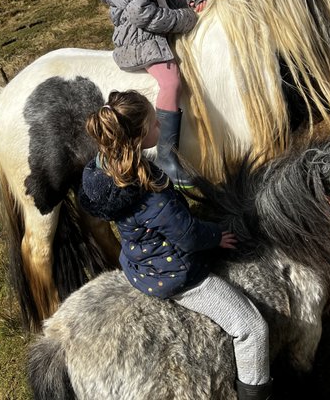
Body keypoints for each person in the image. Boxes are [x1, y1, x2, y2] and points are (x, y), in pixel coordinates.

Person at [79, 90, 273, 400]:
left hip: (138, 265)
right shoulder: (150, 193)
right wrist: (215, 235)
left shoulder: (106, 172)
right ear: (140, 135)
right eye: (155, 123)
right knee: (251, 328)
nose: (161, 126)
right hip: (176, 276)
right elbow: (187, 235)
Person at [94, 0, 207, 188]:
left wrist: (190, 1)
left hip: (164, 23)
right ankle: (167, 157)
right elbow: (144, 15)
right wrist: (186, 18)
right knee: (170, 81)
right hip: (140, 38)